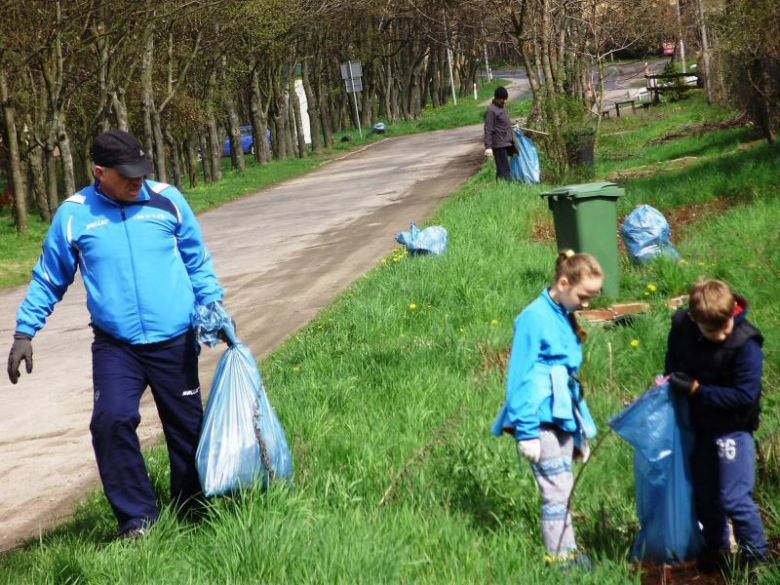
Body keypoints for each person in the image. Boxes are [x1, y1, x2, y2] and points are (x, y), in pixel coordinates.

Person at [6, 130, 231, 539]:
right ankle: (137, 520)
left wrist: (213, 306)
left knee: (187, 428)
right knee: (110, 421)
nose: (137, 180)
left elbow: (197, 260)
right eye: (126, 174)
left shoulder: (167, 200)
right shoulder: (75, 215)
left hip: (174, 340)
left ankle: (194, 512)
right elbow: (48, 278)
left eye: (141, 171)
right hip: (116, 347)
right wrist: (25, 331)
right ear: (99, 172)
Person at [491, 250, 602, 569]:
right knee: (556, 488)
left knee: (563, 485)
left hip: (562, 414)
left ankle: (568, 551)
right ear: (564, 283)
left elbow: (565, 377)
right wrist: (525, 431)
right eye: (584, 296)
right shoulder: (533, 317)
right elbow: (519, 377)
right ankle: (560, 559)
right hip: (538, 417)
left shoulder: (562, 313)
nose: (586, 304)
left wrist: (581, 431)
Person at [665, 279, 767, 569]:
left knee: (733, 498)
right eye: (713, 331)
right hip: (697, 425)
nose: (723, 334)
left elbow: (744, 397)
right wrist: (671, 376)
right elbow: (675, 355)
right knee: (704, 495)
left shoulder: (745, 344)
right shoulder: (683, 326)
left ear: (732, 312)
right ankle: (716, 549)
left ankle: (756, 559)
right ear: (695, 320)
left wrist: (698, 390)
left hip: (733, 427)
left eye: (726, 326)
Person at [483, 86, 513, 181]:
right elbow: (488, 129)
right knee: (503, 169)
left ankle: (501, 185)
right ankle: (506, 186)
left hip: (505, 142)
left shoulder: (502, 107)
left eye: (505, 99)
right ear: (496, 98)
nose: (504, 101)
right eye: (502, 99)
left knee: (503, 168)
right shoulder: (492, 110)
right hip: (498, 144)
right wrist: (488, 147)